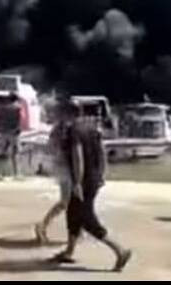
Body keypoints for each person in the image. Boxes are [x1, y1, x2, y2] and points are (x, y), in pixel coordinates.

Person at [49, 100, 132, 272]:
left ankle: (120, 250)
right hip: (93, 177)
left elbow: (77, 156)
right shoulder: (92, 128)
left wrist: (78, 182)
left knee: (86, 218)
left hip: (83, 180)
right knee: (72, 213)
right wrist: (102, 173)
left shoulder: (74, 131)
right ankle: (69, 251)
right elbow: (102, 152)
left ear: (67, 113)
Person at [34, 102, 72, 244]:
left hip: (62, 167)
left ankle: (44, 225)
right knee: (67, 202)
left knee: (68, 202)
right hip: (66, 168)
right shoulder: (64, 129)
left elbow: (51, 148)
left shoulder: (59, 128)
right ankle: (43, 225)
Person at [0, 92, 22, 178]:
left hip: (3, 133)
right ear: (16, 99)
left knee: (2, 154)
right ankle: (16, 174)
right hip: (14, 133)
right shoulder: (18, 108)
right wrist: (18, 128)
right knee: (15, 154)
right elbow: (20, 119)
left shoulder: (2, 108)